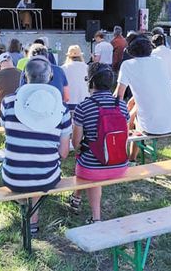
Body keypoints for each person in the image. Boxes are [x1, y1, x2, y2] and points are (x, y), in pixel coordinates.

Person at [0, 58, 72, 234]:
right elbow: (63, 153)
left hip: (12, 176)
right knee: (40, 171)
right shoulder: (62, 109)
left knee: (25, 165)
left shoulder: (8, 102)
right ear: (51, 77)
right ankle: (32, 219)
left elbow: (6, 130)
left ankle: (26, 208)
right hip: (46, 177)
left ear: (25, 76)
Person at [69, 63, 129, 223]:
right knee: (88, 158)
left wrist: (82, 148)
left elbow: (76, 143)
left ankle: (96, 217)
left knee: (85, 158)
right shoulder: (122, 106)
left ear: (90, 82)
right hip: (119, 165)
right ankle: (76, 197)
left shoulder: (83, 107)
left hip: (92, 169)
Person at [115, 35, 171, 162]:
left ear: (129, 50)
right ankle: (131, 158)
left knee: (130, 117)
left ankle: (128, 158)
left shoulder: (127, 65)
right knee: (133, 109)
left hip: (152, 126)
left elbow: (118, 96)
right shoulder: (159, 61)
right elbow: (153, 86)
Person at [61, 45, 89, 112]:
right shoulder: (87, 68)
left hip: (67, 104)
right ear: (80, 56)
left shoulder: (63, 68)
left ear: (68, 56)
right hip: (84, 103)